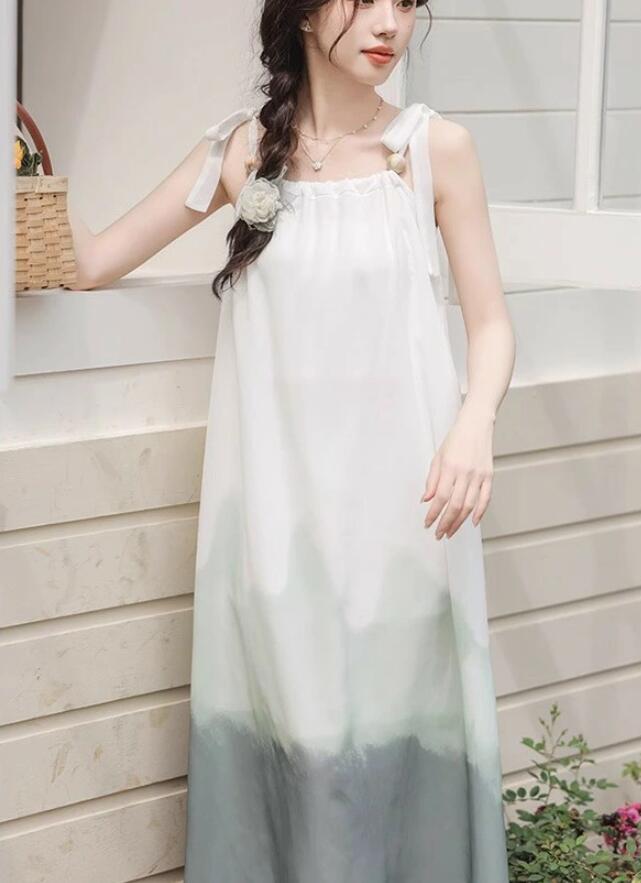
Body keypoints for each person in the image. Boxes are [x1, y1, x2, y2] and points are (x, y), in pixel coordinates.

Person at [68, 2, 516, 880]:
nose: (389, 24)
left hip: (404, 513)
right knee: (293, 733)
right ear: (304, 15)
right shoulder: (240, 153)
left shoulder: (434, 149)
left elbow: (491, 323)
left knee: (391, 732)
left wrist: (474, 424)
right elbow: (91, 262)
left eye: (404, 3)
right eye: (364, 0)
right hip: (276, 519)